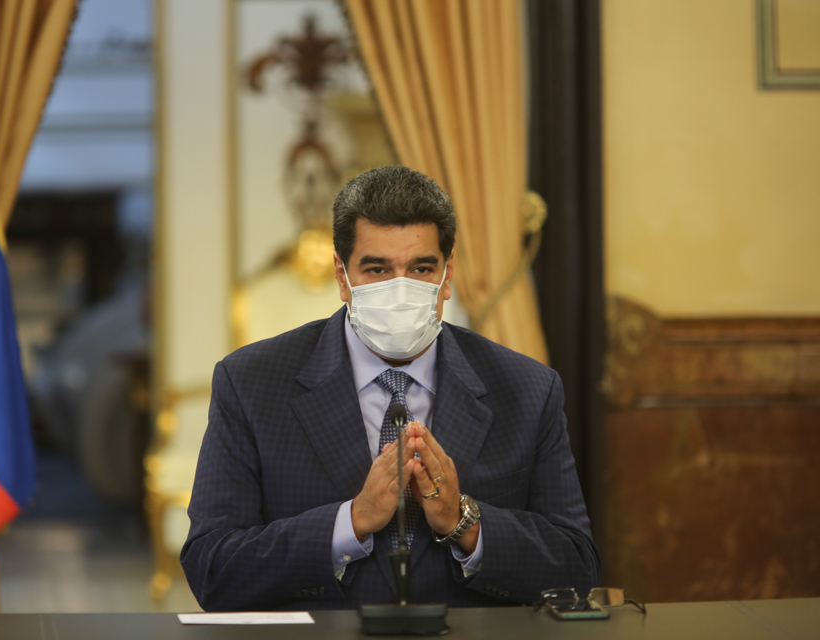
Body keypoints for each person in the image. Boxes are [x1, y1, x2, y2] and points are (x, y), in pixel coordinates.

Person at [180, 166, 599, 611]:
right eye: (378, 269)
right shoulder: (251, 383)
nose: (401, 291)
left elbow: (576, 566)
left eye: (421, 268)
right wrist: (351, 522)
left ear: (447, 276)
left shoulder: (527, 389)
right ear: (342, 277)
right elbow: (212, 568)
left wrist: (464, 522)